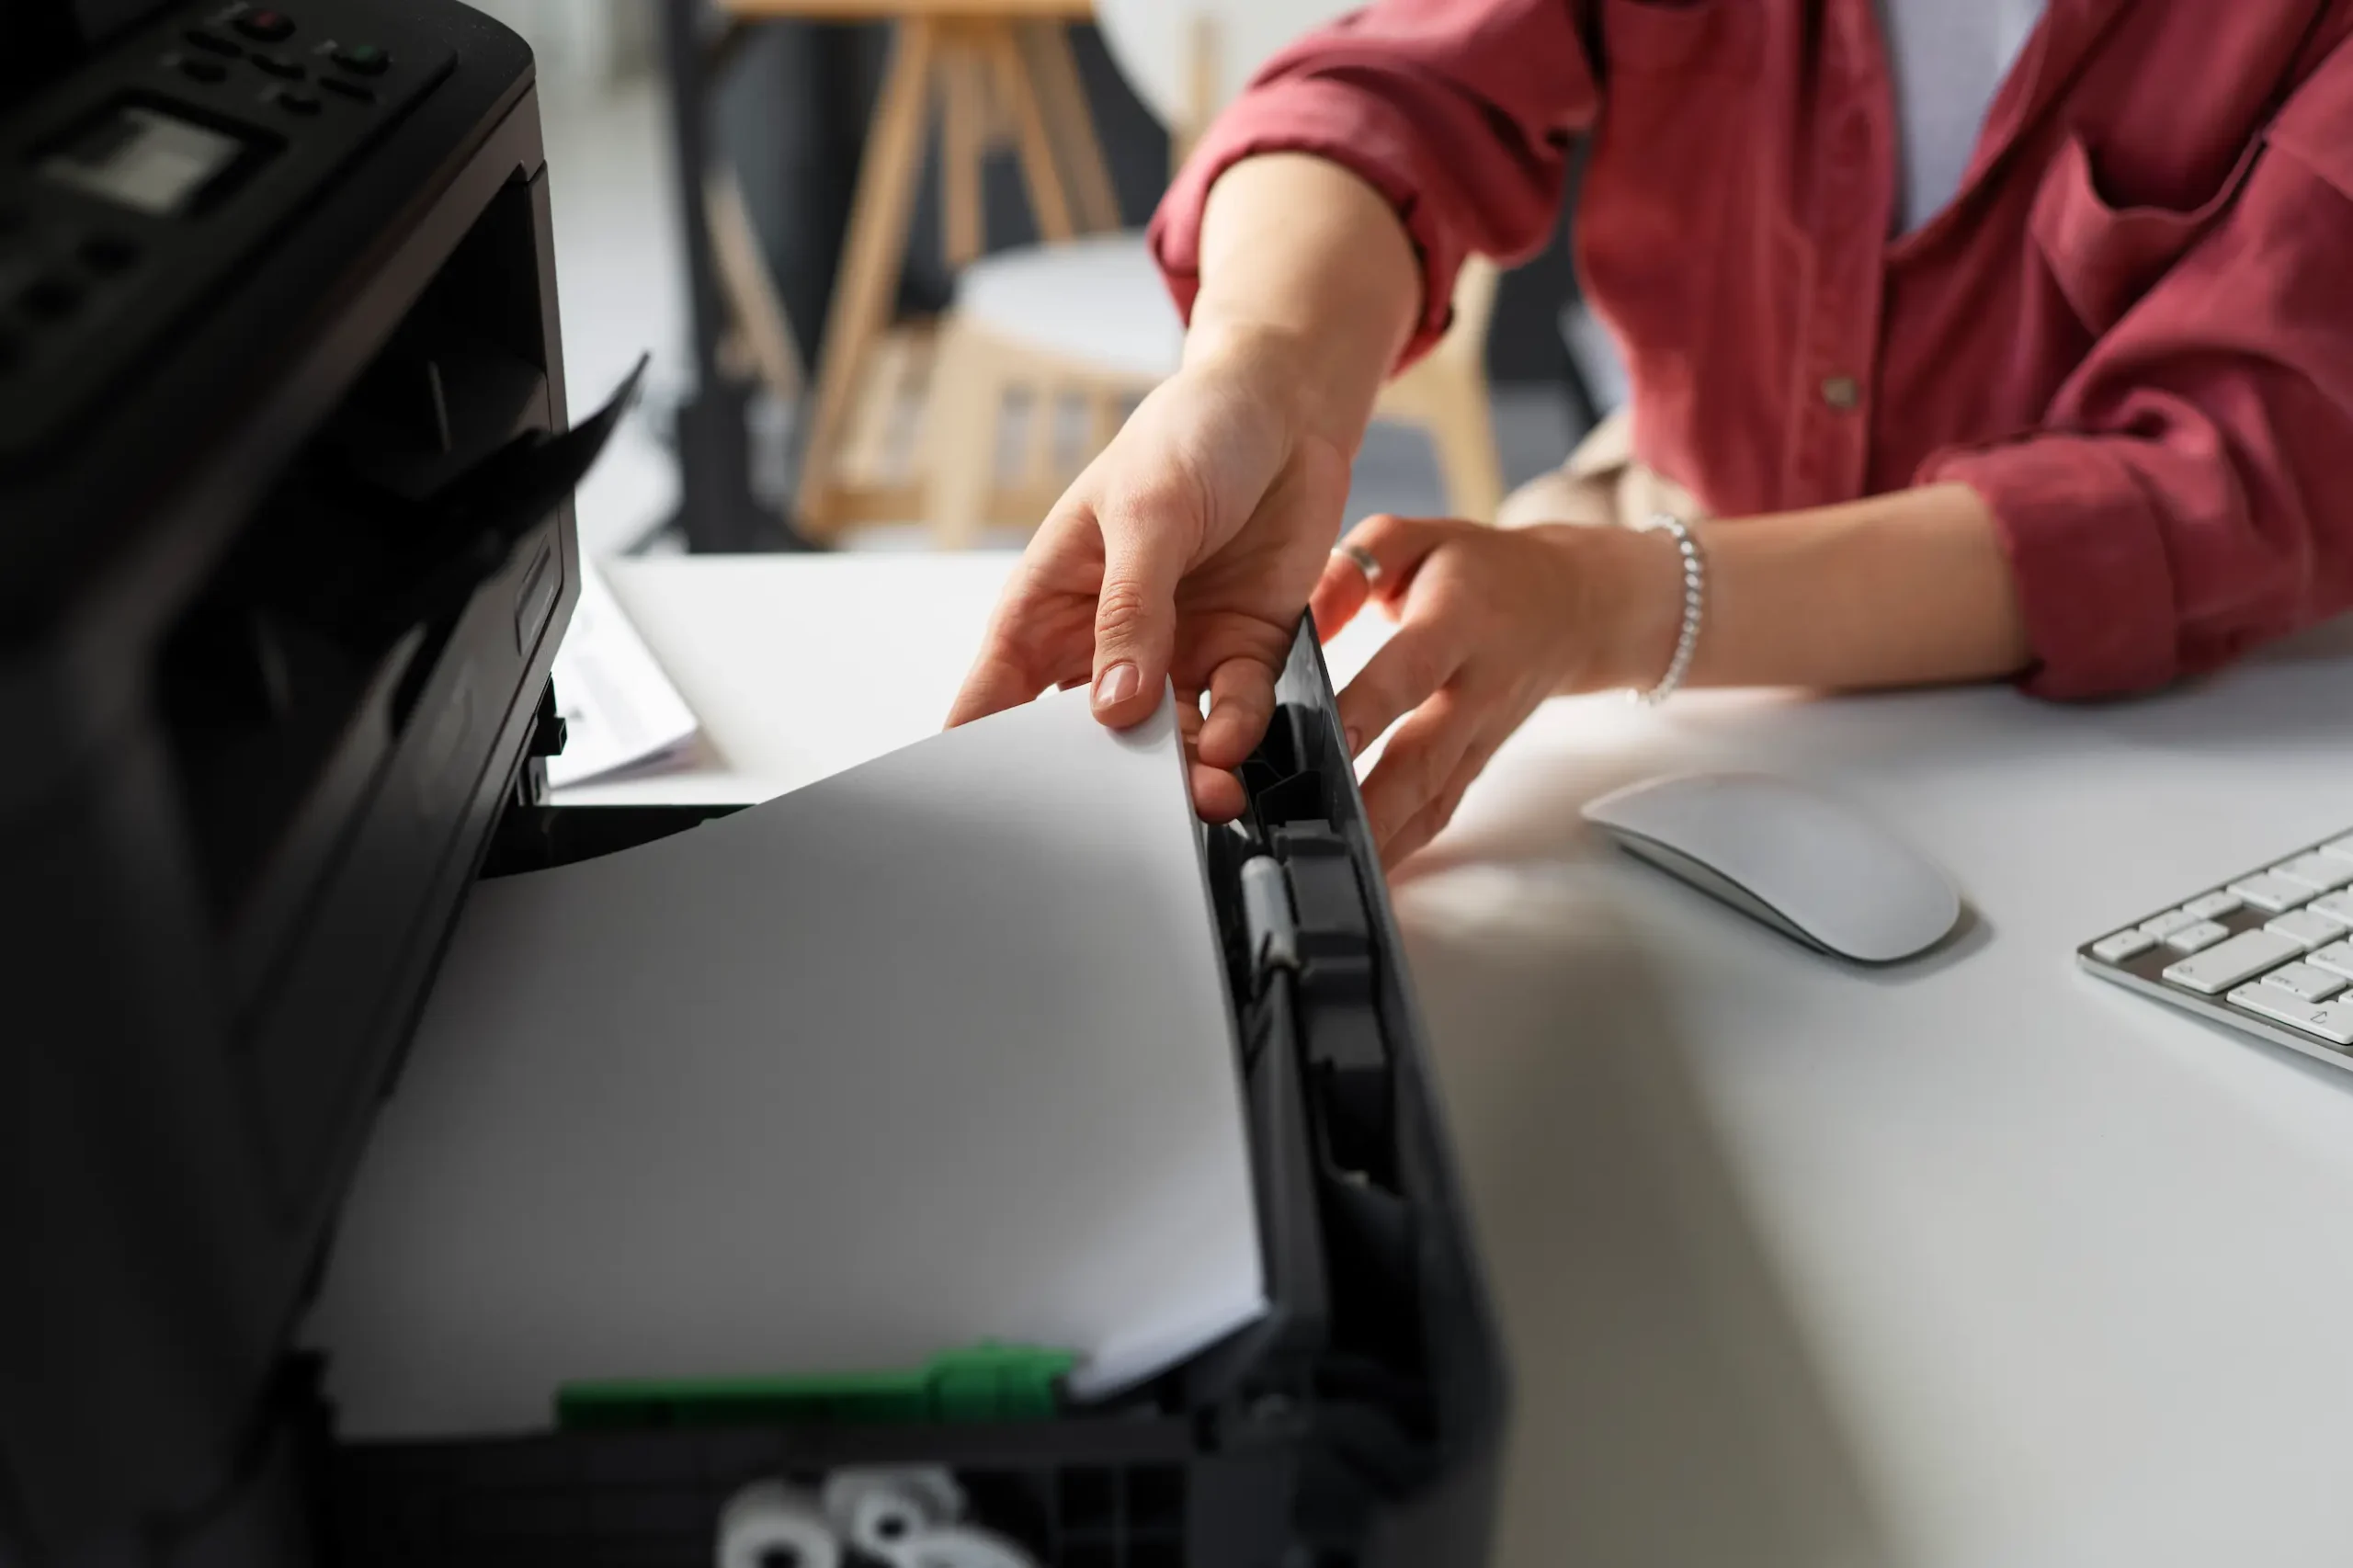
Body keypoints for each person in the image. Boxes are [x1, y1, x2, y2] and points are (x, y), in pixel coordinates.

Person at [948, 0, 2353, 865]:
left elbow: (2219, 479)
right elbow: (1392, 95)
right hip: (1646, 548)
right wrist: (1263, 372)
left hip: (2208, 700)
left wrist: (1618, 604)